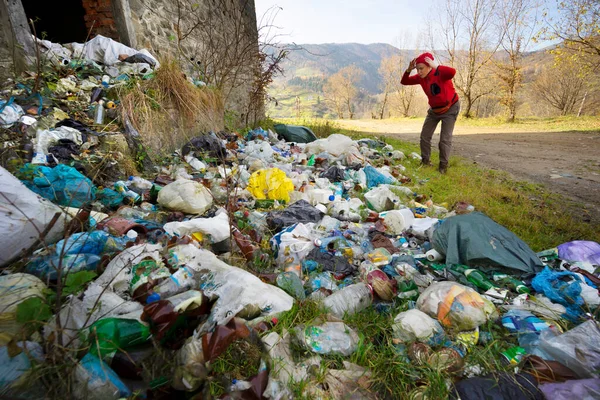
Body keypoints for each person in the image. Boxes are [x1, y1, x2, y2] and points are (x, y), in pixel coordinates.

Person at [401, 52, 460, 174]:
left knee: (444, 139)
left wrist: (436, 66)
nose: (419, 72)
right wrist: (408, 70)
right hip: (434, 110)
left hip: (450, 108)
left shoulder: (440, 73)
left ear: (429, 66)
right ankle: (425, 162)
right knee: (424, 136)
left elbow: (452, 72)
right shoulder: (420, 78)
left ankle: (443, 167)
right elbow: (404, 81)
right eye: (417, 69)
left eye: (421, 68)